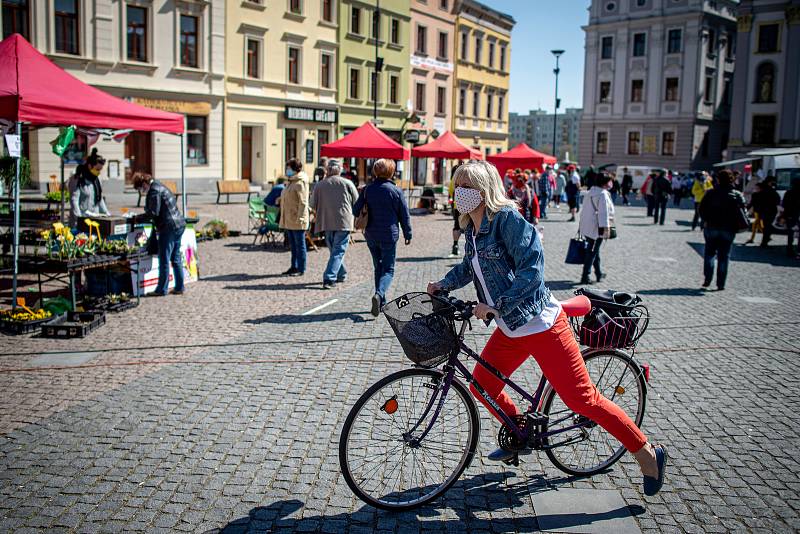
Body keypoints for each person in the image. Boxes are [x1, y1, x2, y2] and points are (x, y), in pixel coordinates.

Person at [426, 161, 666, 496]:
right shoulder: (471, 228)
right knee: (483, 385)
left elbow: (533, 268)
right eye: (458, 184)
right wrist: (443, 284)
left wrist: (497, 305)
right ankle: (521, 431)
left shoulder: (507, 219)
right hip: (512, 328)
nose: (461, 192)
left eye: (468, 185)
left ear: (485, 189)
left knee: (583, 400)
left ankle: (647, 453)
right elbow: (470, 265)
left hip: (541, 324)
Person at [353, 159, 412, 316]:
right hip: (389, 235)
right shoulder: (396, 191)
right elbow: (404, 215)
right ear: (391, 172)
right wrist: (408, 233)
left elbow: (355, 210)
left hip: (371, 234)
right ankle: (379, 295)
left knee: (378, 267)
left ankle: (381, 302)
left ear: (375, 171)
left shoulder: (367, 190)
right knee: (388, 269)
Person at [133, 172, 186, 296]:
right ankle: (179, 287)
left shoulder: (154, 190)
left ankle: (161, 289)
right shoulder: (160, 185)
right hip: (179, 223)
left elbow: (153, 212)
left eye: (141, 188)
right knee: (176, 257)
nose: (142, 191)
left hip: (168, 226)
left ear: (145, 183)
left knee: (164, 258)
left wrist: (138, 218)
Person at [310, 160, 359, 289]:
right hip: (344, 221)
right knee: (337, 251)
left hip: (326, 221)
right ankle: (331, 277)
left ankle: (335, 275)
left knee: (335, 250)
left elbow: (311, 204)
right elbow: (357, 201)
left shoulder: (320, 185)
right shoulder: (347, 183)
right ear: (340, 170)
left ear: (328, 170)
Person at [699, 170, 745, 291]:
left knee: (709, 254)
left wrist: (706, 220)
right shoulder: (737, 194)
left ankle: (707, 279)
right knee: (724, 256)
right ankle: (721, 284)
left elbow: (701, 209)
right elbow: (743, 212)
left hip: (711, 227)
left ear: (718, 179)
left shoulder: (711, 193)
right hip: (729, 229)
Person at [579, 172, 615, 284]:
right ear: (604, 182)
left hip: (588, 226)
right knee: (592, 251)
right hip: (597, 227)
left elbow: (584, 210)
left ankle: (598, 273)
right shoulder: (602, 194)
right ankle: (585, 275)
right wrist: (605, 229)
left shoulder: (591, 192)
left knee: (594, 251)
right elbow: (603, 213)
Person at [278, 158, 310, 277]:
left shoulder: (300, 182)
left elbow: (303, 202)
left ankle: (301, 268)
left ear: (294, 169)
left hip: (297, 219)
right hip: (289, 219)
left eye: (288, 168)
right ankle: (294, 266)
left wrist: (300, 218)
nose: (287, 170)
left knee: (299, 245)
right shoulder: (291, 181)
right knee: (293, 245)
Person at [69, 148, 110, 227]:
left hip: (95, 218)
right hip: (81, 219)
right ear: (89, 166)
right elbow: (74, 200)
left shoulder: (96, 179)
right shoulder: (78, 179)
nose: (98, 172)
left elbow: (99, 199)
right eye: (97, 169)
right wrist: (79, 219)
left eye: (100, 170)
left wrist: (106, 213)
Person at [758, 176, 781, 247]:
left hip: (764, 210)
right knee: (768, 226)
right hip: (770, 210)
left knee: (766, 226)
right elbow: (777, 199)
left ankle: (765, 240)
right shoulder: (769, 190)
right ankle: (764, 241)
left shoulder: (763, 189)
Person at [781, 178, 800, 257]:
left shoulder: (788, 193)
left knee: (790, 233)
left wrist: (784, 216)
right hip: (798, 215)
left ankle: (789, 249)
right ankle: (799, 250)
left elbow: (785, 205)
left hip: (790, 215)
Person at [450, 162, 463, 256]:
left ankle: (455, 244)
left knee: (457, 226)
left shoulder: (452, 181)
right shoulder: (464, 180)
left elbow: (451, 193)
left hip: (456, 207)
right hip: (467, 207)